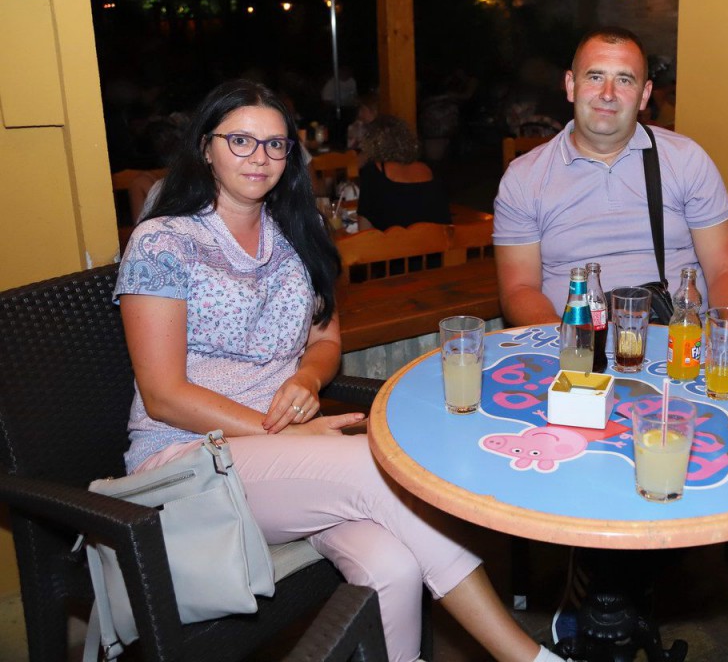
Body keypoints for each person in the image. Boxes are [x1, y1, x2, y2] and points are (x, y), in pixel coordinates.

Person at [114, 80, 568, 662]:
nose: (259, 157)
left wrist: (307, 379)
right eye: (240, 141)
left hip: (280, 457)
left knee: (394, 566)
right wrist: (284, 432)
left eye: (275, 144)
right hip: (189, 460)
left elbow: (326, 340)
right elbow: (163, 394)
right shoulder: (163, 242)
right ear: (206, 147)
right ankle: (527, 657)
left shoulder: (294, 232)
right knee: (381, 467)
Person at [492, 26, 728, 325]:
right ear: (571, 85)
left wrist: (725, 341)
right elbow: (519, 289)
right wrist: (567, 344)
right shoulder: (524, 178)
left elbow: (725, 269)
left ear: (644, 95)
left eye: (624, 80)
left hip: (679, 339)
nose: (608, 94)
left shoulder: (686, 160)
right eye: (595, 77)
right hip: (575, 339)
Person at [357, 114, 452, 230]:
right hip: (435, 239)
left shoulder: (374, 172)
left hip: (395, 241)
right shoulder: (428, 170)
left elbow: (365, 227)